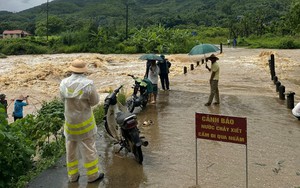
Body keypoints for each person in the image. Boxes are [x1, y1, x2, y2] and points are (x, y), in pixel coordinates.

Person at [59, 59, 104, 183]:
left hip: (70, 123)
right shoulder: (88, 84)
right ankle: (92, 176)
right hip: (85, 124)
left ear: (72, 69)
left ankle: (73, 177)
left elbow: (62, 99)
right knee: (89, 149)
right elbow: (94, 102)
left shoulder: (63, 83)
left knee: (70, 149)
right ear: (84, 70)